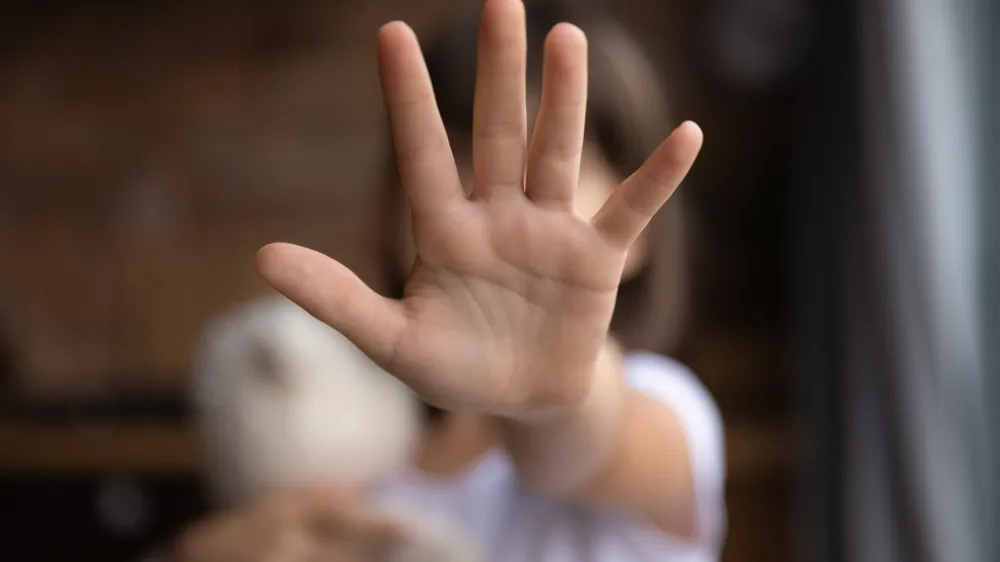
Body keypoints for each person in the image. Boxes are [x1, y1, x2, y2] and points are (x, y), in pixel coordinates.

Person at [170, 0, 726, 560]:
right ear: (388, 206)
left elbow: (589, 447)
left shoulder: (667, 408)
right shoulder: (366, 448)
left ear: (643, 231)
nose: (489, 205)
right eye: (458, 154)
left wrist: (551, 398)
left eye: (545, 168)